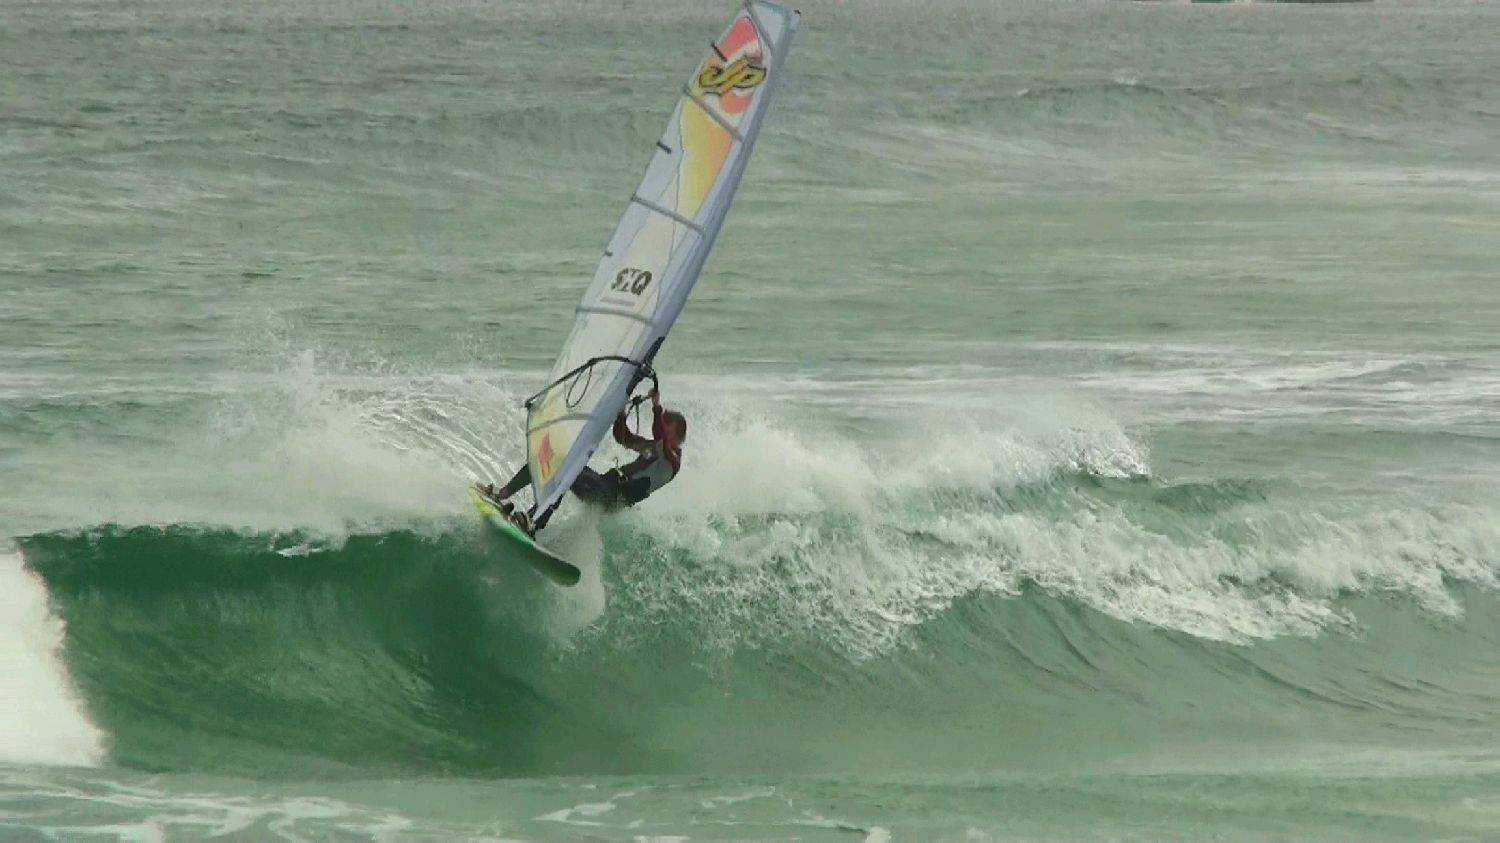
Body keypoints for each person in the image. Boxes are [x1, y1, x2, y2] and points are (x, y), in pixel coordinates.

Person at [477, 389, 686, 531]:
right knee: (556, 457)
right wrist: (621, 413)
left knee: (567, 471)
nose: (662, 426)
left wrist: (656, 406)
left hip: (611, 496)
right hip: (604, 483)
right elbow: (623, 438)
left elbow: (660, 435)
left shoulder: (672, 461)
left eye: (666, 425)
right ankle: (502, 494)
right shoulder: (655, 447)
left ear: (675, 434)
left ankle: (532, 521)